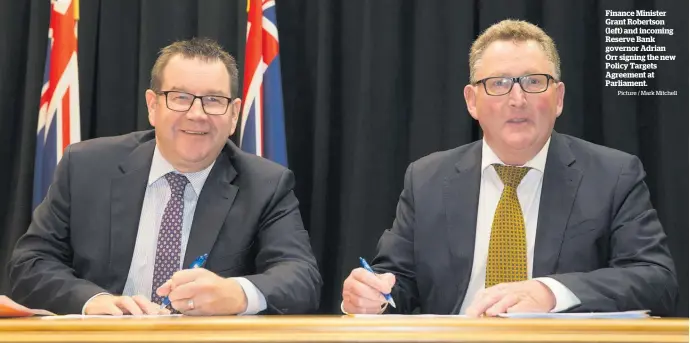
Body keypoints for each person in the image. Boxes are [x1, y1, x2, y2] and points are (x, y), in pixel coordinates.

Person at [341, 20, 677, 317]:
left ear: (558, 97)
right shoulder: (426, 178)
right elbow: (396, 281)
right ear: (472, 101)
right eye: (499, 83)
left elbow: (656, 280)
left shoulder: (613, 175)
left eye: (533, 81)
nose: (517, 99)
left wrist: (550, 293)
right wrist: (373, 297)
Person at [8, 37, 321, 316]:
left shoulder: (266, 184)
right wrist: (93, 300)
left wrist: (237, 294)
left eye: (213, 100)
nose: (197, 114)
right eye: (180, 97)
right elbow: (31, 264)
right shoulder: (86, 166)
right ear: (153, 105)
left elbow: (301, 277)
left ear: (234, 114)